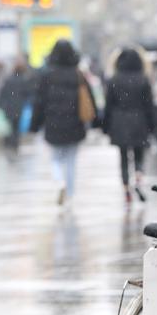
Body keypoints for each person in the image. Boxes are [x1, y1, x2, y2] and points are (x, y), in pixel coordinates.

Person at [30, 39, 96, 207]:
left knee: (56, 158)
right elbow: (90, 100)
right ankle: (70, 196)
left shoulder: (47, 76)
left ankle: (60, 182)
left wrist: (35, 124)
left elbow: (39, 102)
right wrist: (97, 122)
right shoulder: (78, 74)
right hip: (74, 124)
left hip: (54, 123)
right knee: (71, 160)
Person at [101, 47, 155, 205]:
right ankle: (138, 175)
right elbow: (149, 105)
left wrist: (105, 126)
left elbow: (108, 106)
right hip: (139, 120)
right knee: (139, 153)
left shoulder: (114, 80)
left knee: (123, 157)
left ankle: (126, 187)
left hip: (119, 122)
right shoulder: (143, 79)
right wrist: (152, 125)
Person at [0, 58, 32, 154]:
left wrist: (0, 105)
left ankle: (8, 145)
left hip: (9, 107)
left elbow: (2, 94)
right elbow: (28, 94)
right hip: (19, 108)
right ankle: (14, 146)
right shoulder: (24, 80)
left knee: (9, 127)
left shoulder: (8, 80)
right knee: (16, 128)